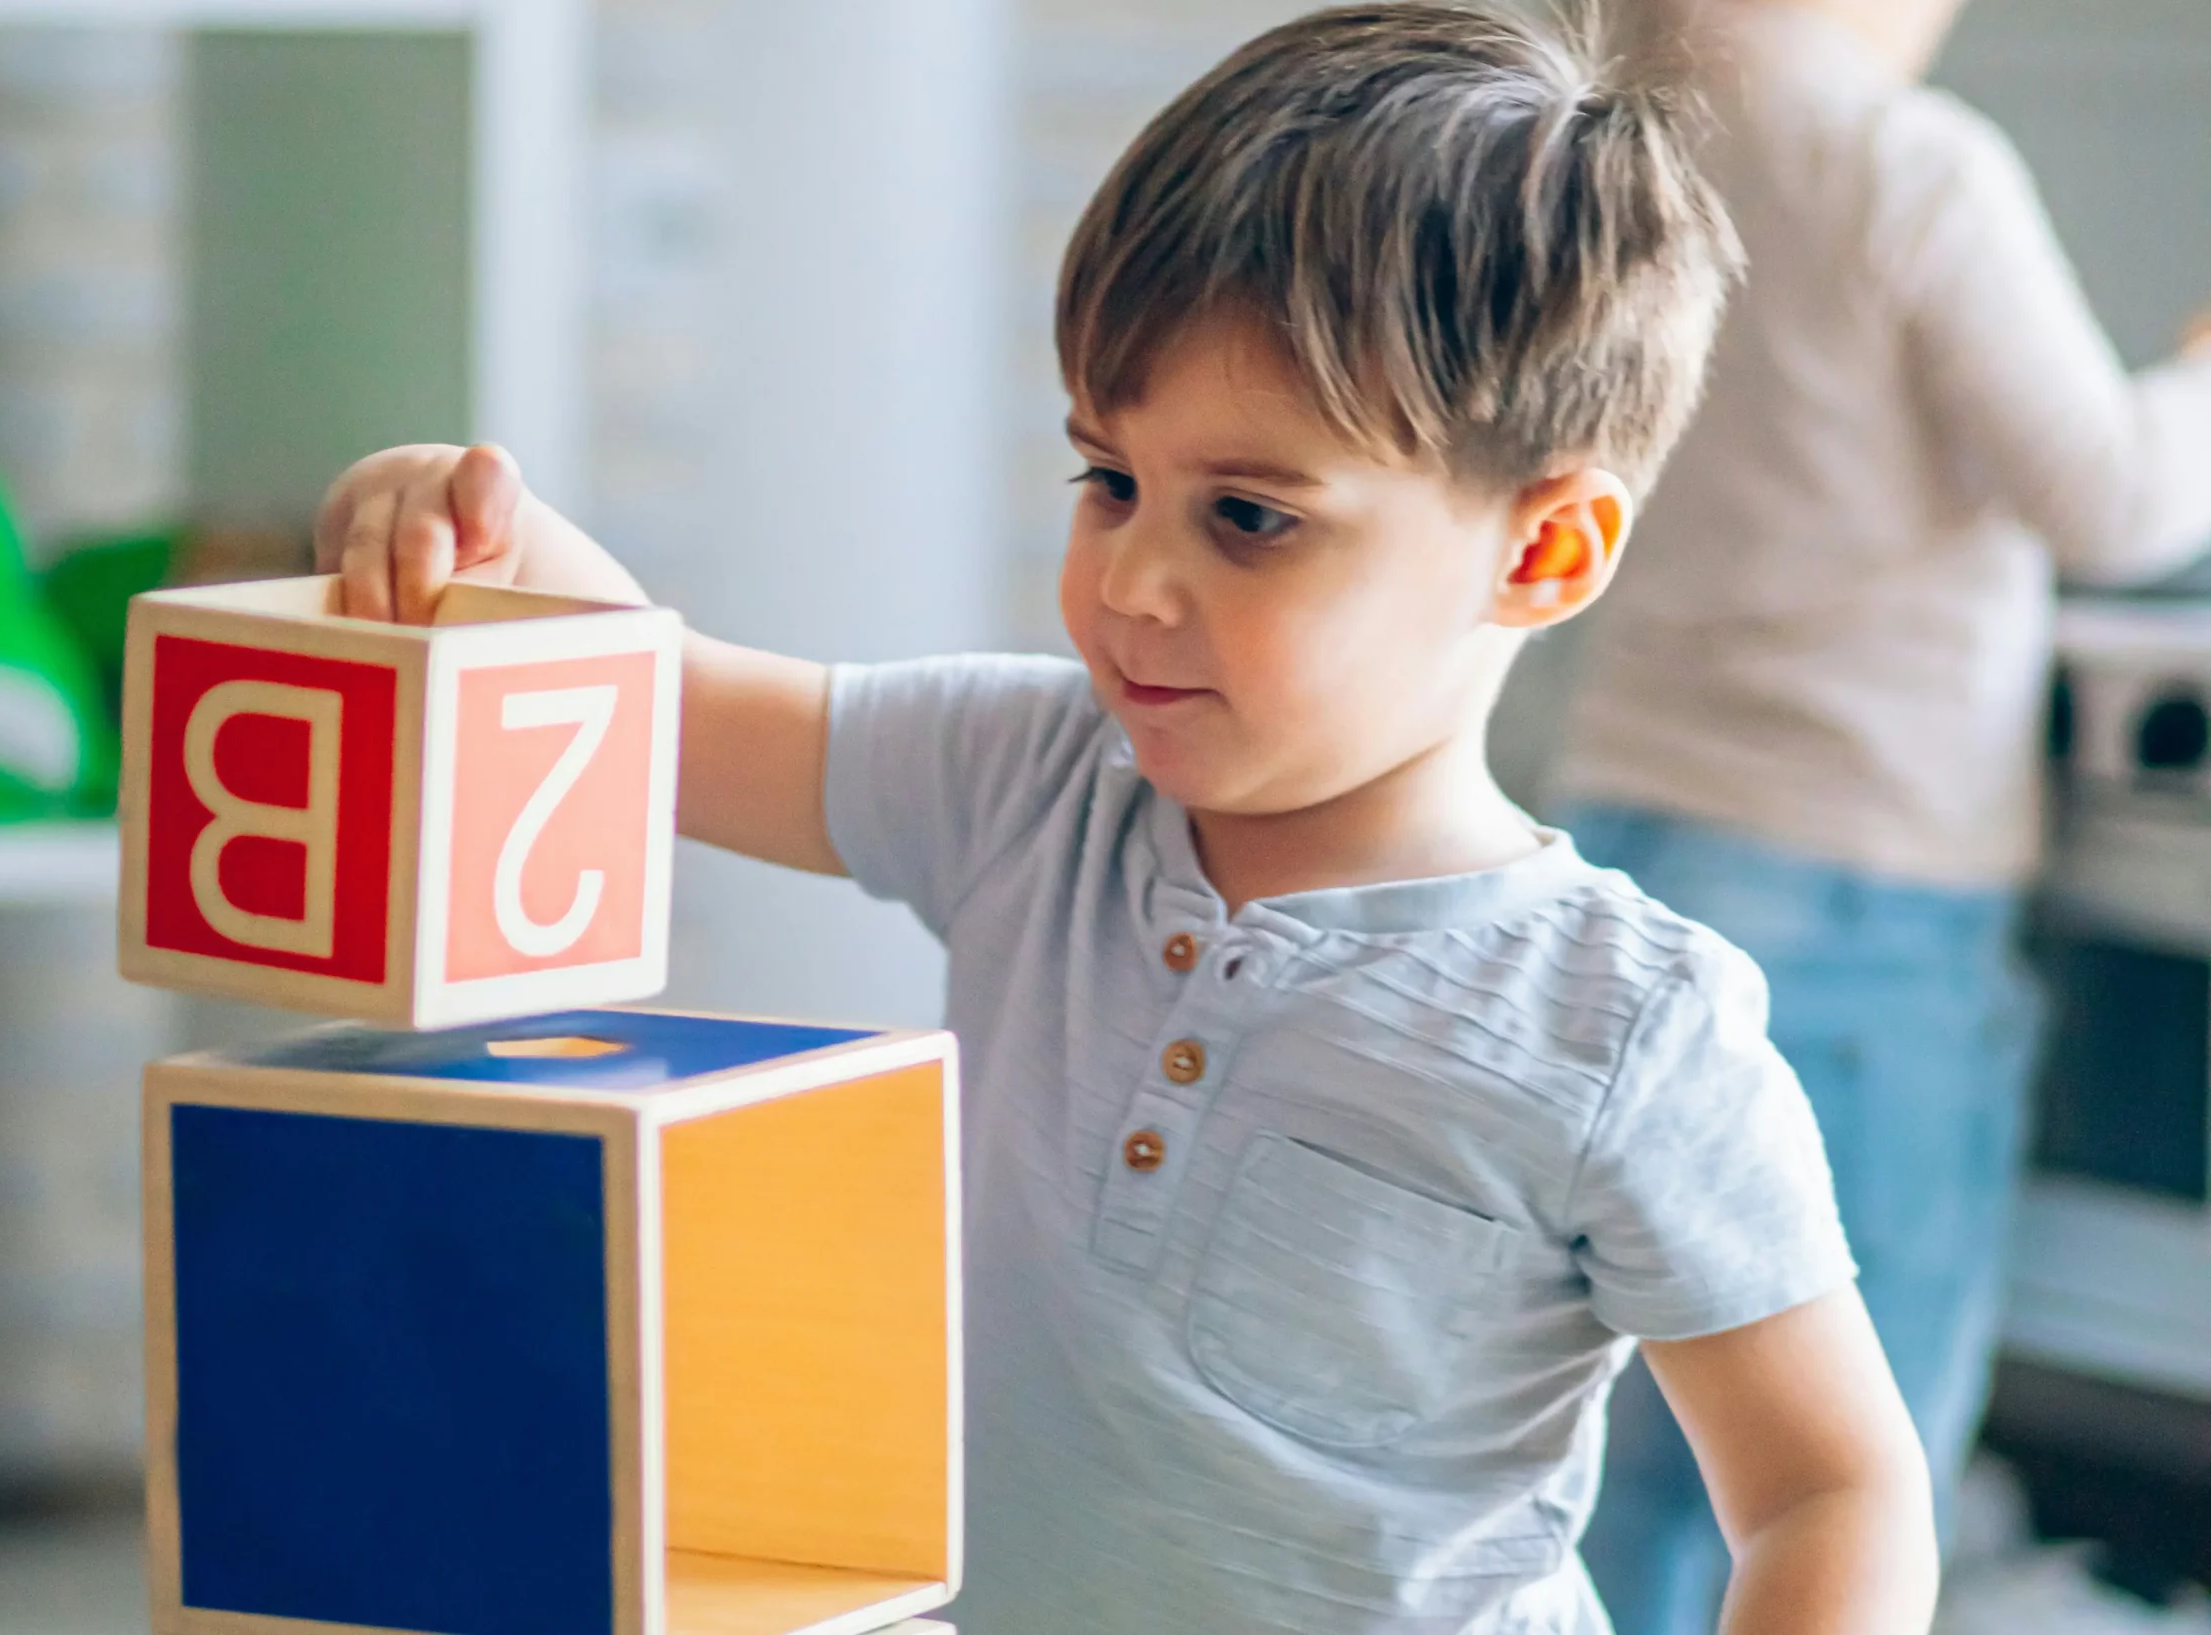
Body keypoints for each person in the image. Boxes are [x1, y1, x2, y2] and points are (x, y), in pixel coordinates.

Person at [320, 7, 1939, 1630]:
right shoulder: (1032, 780)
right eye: (1108, 479)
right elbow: (651, 706)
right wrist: (479, 546)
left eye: (1250, 518)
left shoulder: (1625, 1026)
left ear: (1542, 553)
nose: (1129, 583)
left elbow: (1830, 1487)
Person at [1550, 1, 2211, 1631]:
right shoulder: (1904, 165)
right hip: (1861, 882)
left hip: (1631, 834)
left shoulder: (1600, 149)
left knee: (1627, 1444)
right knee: (1850, 1461)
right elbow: (2114, 500)